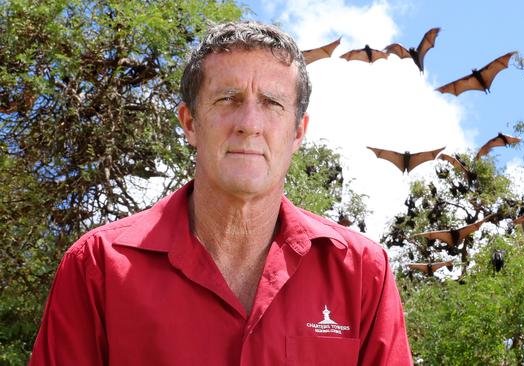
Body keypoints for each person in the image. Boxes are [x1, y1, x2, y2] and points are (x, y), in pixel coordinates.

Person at [29, 21, 413, 365]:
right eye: (227, 99)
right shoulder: (97, 267)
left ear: (298, 133)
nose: (249, 124)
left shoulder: (362, 272)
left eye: (272, 103)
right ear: (190, 123)